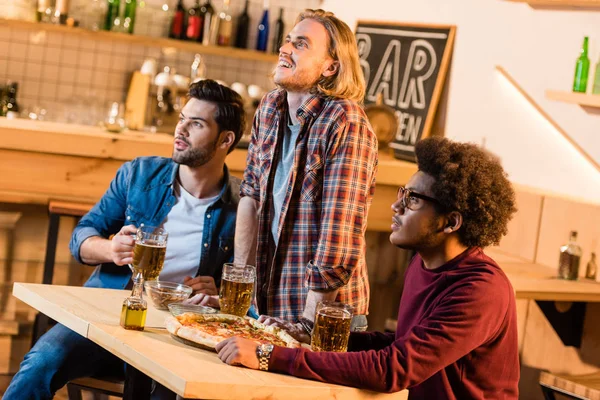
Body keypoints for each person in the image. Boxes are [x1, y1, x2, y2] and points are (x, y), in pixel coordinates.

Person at [215, 137, 520, 400]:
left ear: (451, 222)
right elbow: (402, 343)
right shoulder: (424, 262)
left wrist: (270, 356)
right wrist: (313, 338)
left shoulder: (480, 290)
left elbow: (393, 368)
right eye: (403, 193)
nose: (396, 206)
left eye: (412, 200)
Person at [4, 79, 246, 400]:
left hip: (179, 335)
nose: (181, 130)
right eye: (182, 119)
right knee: (41, 363)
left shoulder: (242, 206)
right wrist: (110, 248)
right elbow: (81, 238)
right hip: (108, 321)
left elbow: (247, 283)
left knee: (170, 392)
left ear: (225, 140)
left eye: (197, 123)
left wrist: (217, 293)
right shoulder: (139, 174)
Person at [233, 9, 378, 335]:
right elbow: (250, 196)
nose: (285, 49)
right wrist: (240, 292)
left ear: (331, 66)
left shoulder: (345, 120)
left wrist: (308, 323)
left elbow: (338, 235)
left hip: (325, 319)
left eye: (300, 44)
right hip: (268, 309)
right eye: (287, 41)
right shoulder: (270, 107)